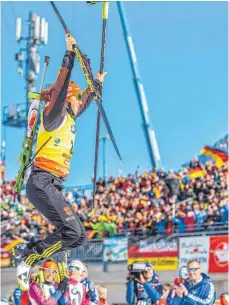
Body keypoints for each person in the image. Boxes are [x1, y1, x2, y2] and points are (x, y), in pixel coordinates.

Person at [14, 33, 106, 290]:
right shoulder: (54, 115)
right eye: (77, 99)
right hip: (42, 180)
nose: (80, 103)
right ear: (68, 99)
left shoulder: (70, 117)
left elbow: (86, 100)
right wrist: (69, 55)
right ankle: (29, 258)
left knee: (78, 237)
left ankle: (31, 250)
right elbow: (62, 86)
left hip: (52, 184)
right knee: (71, 232)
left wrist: (96, 84)